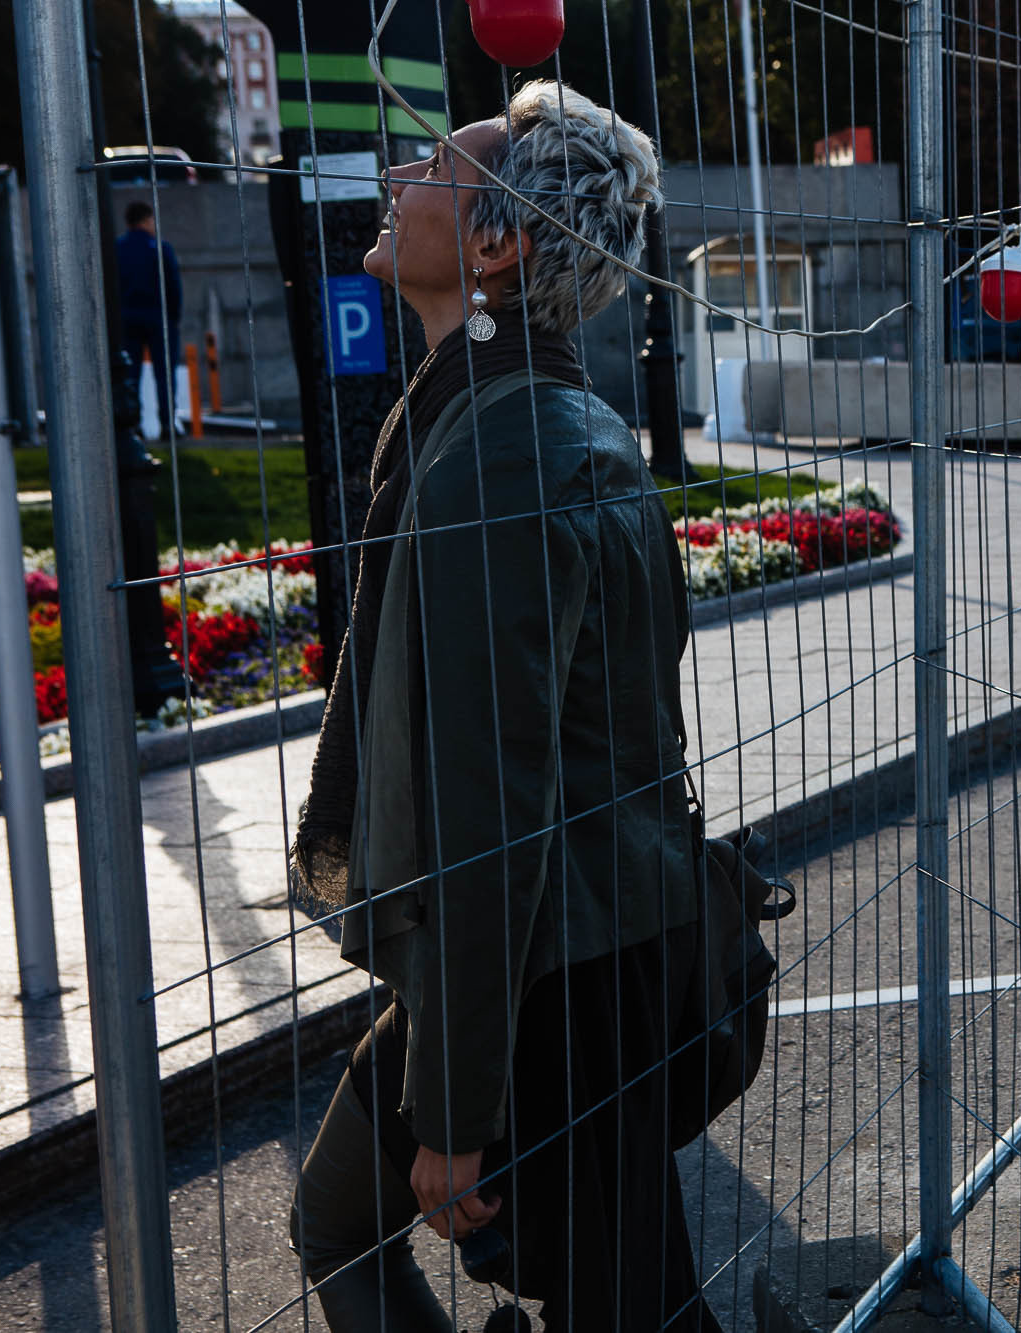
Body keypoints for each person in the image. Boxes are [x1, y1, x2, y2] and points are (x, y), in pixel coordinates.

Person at [285, 80, 720, 1332]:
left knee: (346, 1227)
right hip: (592, 944)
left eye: (429, 165)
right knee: (624, 1299)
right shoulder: (538, 417)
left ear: (496, 245)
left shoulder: (502, 459)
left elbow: (492, 811)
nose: (395, 176)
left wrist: (456, 1111)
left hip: (552, 981)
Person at [116, 200, 184, 428]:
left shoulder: (118, 248)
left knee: (130, 375)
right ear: (146, 220)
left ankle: (133, 424)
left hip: (128, 318)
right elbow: (173, 287)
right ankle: (167, 423)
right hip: (159, 318)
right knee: (165, 374)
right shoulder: (161, 248)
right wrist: (173, 317)